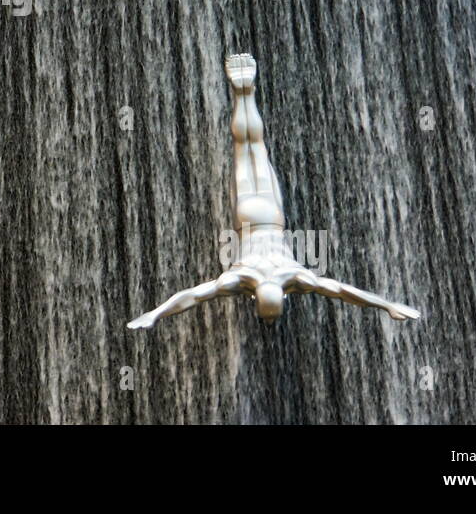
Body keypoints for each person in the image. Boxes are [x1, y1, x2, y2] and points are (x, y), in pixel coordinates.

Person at [128, 54, 419, 328]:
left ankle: (246, 91)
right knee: (244, 148)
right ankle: (242, 93)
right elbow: (344, 292)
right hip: (246, 218)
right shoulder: (249, 278)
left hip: (272, 215)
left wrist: (388, 304)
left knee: (255, 146)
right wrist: (387, 305)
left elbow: (344, 290)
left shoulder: (290, 277)